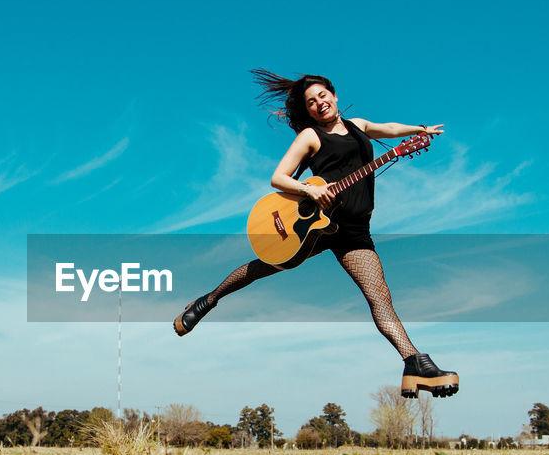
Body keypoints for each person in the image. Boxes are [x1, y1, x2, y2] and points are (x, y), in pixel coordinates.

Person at [172, 69, 458, 399]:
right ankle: (210, 299)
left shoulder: (359, 126)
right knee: (266, 265)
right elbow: (279, 178)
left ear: (335, 97)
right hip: (312, 224)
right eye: (311, 102)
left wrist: (418, 129)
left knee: (380, 296)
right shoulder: (310, 136)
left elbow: (390, 129)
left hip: (354, 229)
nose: (319, 103)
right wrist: (309, 190)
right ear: (307, 110)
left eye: (323, 96)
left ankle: (413, 364)